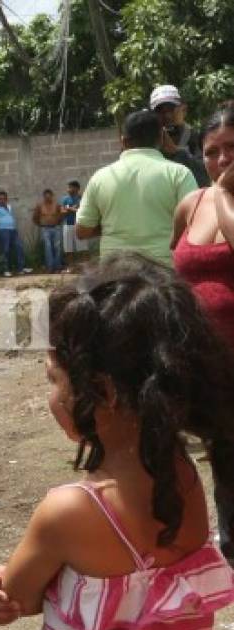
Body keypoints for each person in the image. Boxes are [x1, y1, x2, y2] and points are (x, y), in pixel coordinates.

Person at [0, 253, 234, 630]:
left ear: (103, 392)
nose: (50, 396)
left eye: (53, 380)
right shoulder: (182, 476)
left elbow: (17, 599)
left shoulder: (69, 512)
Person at [171, 101, 234, 561]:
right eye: (212, 152)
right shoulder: (190, 205)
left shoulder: (221, 199)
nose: (221, 161)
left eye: (232, 149)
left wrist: (226, 196)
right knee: (222, 456)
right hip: (205, 362)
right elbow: (177, 268)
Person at [76, 110, 197, 266]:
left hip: (115, 273)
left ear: (123, 141)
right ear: (161, 138)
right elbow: (196, 225)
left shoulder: (100, 178)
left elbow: (82, 231)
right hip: (165, 274)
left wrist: (111, 226)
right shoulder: (179, 174)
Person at [151, 84, 210, 188]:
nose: (167, 115)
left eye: (171, 109)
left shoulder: (195, 137)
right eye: (160, 111)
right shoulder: (149, 140)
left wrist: (177, 152)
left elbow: (205, 177)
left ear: (184, 109)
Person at [0, 190, 31, 277]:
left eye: (4, 199)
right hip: (3, 231)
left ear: (6, 199)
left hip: (13, 230)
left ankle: (21, 268)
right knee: (5, 250)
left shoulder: (9, 207)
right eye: (1, 199)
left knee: (19, 247)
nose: (2, 200)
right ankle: (6, 270)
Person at [58, 180, 87, 270]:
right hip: (67, 225)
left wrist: (69, 208)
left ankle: (84, 267)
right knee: (68, 248)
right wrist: (71, 209)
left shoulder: (82, 198)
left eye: (70, 187)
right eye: (68, 187)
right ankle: (70, 267)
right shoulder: (65, 199)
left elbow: (81, 210)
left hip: (79, 225)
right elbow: (62, 212)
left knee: (82, 247)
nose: (68, 189)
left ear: (77, 188)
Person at [31, 188, 62, 273]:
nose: (48, 198)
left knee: (57, 247)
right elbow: (35, 217)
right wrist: (40, 225)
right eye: (46, 196)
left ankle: (58, 267)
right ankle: (50, 267)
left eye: (49, 196)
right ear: (44, 197)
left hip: (56, 228)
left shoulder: (57, 205)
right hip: (45, 229)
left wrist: (57, 222)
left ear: (52, 196)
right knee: (48, 248)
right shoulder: (40, 205)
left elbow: (61, 215)